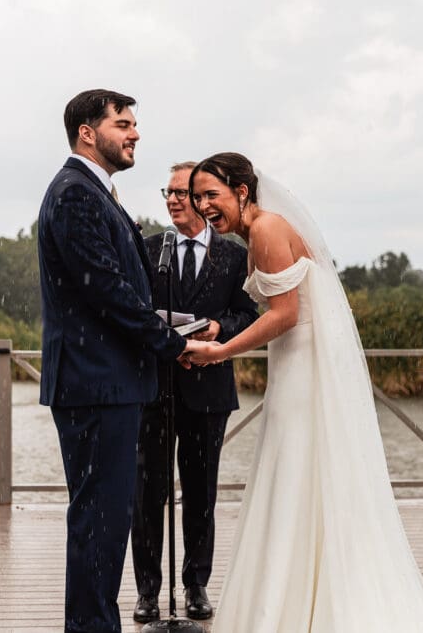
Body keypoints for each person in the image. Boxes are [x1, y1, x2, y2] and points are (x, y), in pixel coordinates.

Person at [184, 153, 423, 632]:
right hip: (294, 362)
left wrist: (222, 351)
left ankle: (296, 605)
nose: (203, 206)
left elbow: (285, 314)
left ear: (242, 190)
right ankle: (294, 596)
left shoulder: (269, 228)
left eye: (211, 195)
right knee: (296, 471)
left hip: (304, 363)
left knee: (296, 467)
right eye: (197, 198)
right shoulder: (258, 231)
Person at [36, 89, 194, 633]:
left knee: (104, 522)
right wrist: (172, 343)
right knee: (99, 523)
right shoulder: (76, 195)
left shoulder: (95, 193)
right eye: (123, 124)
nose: (135, 134)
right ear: (88, 132)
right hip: (95, 384)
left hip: (107, 383)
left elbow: (124, 290)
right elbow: (107, 290)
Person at [131, 162, 259, 623]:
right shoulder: (148, 250)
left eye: (183, 192)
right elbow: (132, 311)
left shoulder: (233, 255)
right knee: (147, 493)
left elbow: (248, 314)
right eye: (167, 192)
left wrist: (220, 327)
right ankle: (147, 591)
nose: (173, 200)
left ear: (203, 198)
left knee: (201, 493)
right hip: (153, 389)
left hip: (209, 392)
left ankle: (196, 586)